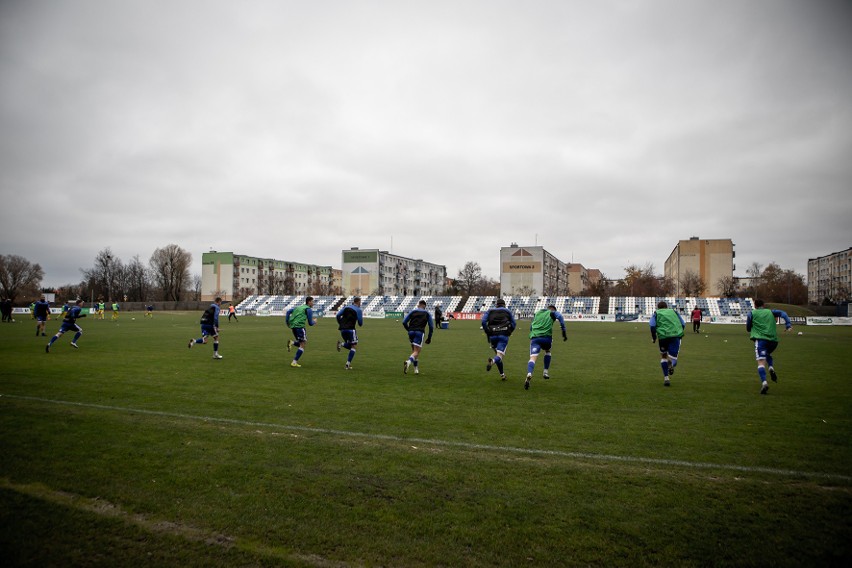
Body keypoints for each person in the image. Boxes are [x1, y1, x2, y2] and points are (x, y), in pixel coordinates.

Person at [746, 299, 792, 395]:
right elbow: (783, 313)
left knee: (761, 362)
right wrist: (788, 325)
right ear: (764, 305)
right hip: (773, 341)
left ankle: (764, 383)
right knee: (767, 354)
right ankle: (770, 367)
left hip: (761, 340)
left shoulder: (752, 313)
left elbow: (748, 328)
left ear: (754, 305)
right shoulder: (770, 311)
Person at [524, 304, 567, 390]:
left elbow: (531, 327)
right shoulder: (552, 313)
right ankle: (545, 372)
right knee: (547, 351)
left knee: (532, 358)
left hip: (535, 338)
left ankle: (529, 374)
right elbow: (560, 317)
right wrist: (563, 331)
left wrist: (533, 334)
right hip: (546, 339)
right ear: (553, 310)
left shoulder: (538, 313)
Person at [649, 300, 686, 387]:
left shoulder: (656, 313)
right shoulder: (674, 311)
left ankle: (666, 378)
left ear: (658, 307)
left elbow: (652, 325)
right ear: (666, 307)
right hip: (675, 336)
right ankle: (671, 364)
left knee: (664, 356)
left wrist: (654, 338)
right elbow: (683, 323)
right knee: (674, 359)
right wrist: (679, 332)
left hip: (663, 337)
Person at [482, 298, 517, 381]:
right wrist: (510, 331)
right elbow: (514, 323)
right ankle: (492, 361)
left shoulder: (490, 311)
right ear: (504, 305)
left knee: (498, 355)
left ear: (496, 305)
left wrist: (487, 331)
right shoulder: (507, 311)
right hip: (503, 335)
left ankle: (502, 375)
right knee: (499, 356)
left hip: (493, 336)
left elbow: (483, 322)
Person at [402, 299, 434, 374]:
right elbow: (431, 326)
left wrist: (408, 330)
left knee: (414, 351)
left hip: (411, 332)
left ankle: (416, 369)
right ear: (424, 306)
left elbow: (404, 322)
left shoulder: (413, 311)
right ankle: (408, 362)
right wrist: (429, 337)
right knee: (417, 351)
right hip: (419, 332)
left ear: (419, 305)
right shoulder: (427, 313)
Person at [286, 296, 316, 367]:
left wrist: (287, 322)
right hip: (300, 327)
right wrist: (314, 321)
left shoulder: (298, 307)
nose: (313, 303)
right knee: (303, 345)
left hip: (293, 327)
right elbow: (310, 323)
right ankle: (294, 362)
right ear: (309, 302)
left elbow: (288, 312)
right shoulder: (308, 309)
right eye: (312, 302)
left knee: (301, 343)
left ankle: (292, 342)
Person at [336, 296, 363, 370]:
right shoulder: (358, 310)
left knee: (350, 345)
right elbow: (360, 323)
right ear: (358, 302)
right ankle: (347, 364)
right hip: (351, 329)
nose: (360, 304)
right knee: (353, 346)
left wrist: (340, 323)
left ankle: (341, 344)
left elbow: (338, 315)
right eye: (360, 302)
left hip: (342, 330)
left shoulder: (346, 307)